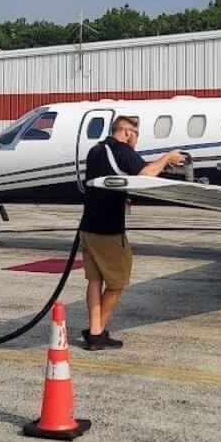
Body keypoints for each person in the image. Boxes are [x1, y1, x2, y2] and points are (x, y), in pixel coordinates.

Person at [79, 114, 186, 350]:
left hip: (87, 226)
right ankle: (96, 333)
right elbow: (146, 174)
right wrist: (168, 157)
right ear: (127, 132)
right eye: (136, 134)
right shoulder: (122, 150)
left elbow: (109, 181)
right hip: (108, 230)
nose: (136, 140)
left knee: (95, 281)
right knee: (117, 283)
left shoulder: (94, 151)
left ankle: (95, 330)